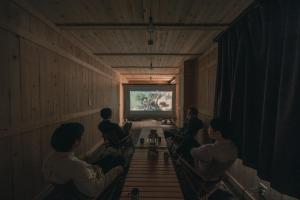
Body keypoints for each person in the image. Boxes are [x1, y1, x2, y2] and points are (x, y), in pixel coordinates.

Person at [42, 123, 124, 198]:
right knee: (118, 161)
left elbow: (68, 169)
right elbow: (94, 190)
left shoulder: (49, 159)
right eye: (80, 137)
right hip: (90, 192)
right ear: (75, 142)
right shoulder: (77, 166)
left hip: (74, 189)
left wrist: (91, 168)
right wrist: (115, 171)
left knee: (110, 158)